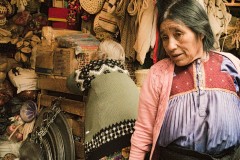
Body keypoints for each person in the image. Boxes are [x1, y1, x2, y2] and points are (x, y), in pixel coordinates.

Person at [129, 0, 240, 160]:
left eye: (178, 34)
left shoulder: (231, 64)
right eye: (165, 37)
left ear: (200, 31)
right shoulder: (158, 73)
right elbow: (143, 131)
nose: (171, 45)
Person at [69, 39, 140, 159]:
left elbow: (71, 83)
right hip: (135, 134)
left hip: (109, 139)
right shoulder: (124, 72)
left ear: (102, 54)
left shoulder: (95, 67)